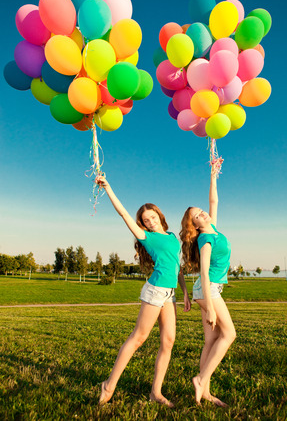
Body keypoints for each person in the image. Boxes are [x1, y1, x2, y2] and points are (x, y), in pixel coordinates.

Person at [95, 174, 191, 407]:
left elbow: (176, 266)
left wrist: (185, 292)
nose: (150, 221)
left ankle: (155, 393)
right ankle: (109, 385)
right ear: (143, 224)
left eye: (153, 216)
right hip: (156, 290)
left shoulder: (171, 237)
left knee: (168, 342)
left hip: (170, 294)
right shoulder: (145, 236)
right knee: (139, 338)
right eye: (146, 220)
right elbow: (123, 213)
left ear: (160, 215)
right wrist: (108, 188)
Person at [179, 164, 236, 407]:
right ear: (195, 225)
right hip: (208, 290)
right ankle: (201, 380)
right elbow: (203, 271)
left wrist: (213, 175)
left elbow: (214, 200)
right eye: (198, 216)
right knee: (229, 334)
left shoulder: (212, 228)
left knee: (211, 342)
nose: (203, 213)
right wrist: (210, 308)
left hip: (206, 291)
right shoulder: (205, 238)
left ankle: (206, 392)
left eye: (202, 211)